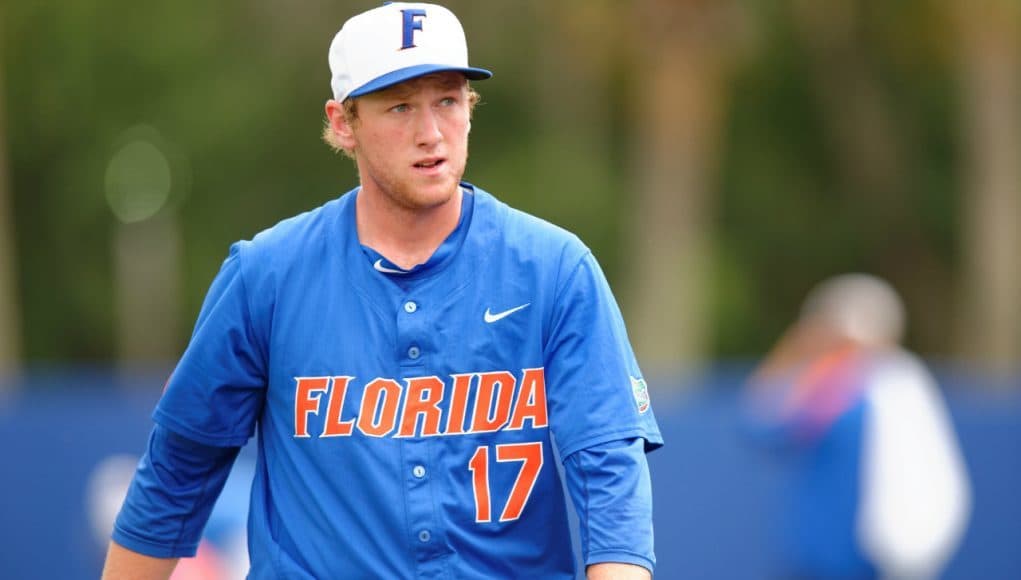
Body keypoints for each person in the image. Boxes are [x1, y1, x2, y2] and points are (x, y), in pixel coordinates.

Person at [101, 3, 663, 579]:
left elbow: (610, 480)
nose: (430, 132)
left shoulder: (554, 269)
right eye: (399, 107)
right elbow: (176, 476)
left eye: (447, 100)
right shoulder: (266, 275)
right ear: (344, 123)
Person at [743, 274, 971, 579]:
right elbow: (760, 428)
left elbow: (760, 423)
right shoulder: (889, 383)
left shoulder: (855, 387)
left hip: (857, 557)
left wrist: (796, 349)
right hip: (834, 556)